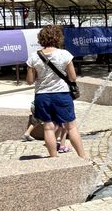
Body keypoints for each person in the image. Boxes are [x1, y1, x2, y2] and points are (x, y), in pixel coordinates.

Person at [26, 25, 88, 159]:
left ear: (41, 38)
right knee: (71, 127)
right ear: (58, 38)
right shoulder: (64, 54)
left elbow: (30, 81)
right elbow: (72, 77)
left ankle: (53, 158)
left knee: (48, 127)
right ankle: (83, 157)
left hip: (42, 96)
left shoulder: (34, 57)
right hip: (62, 95)